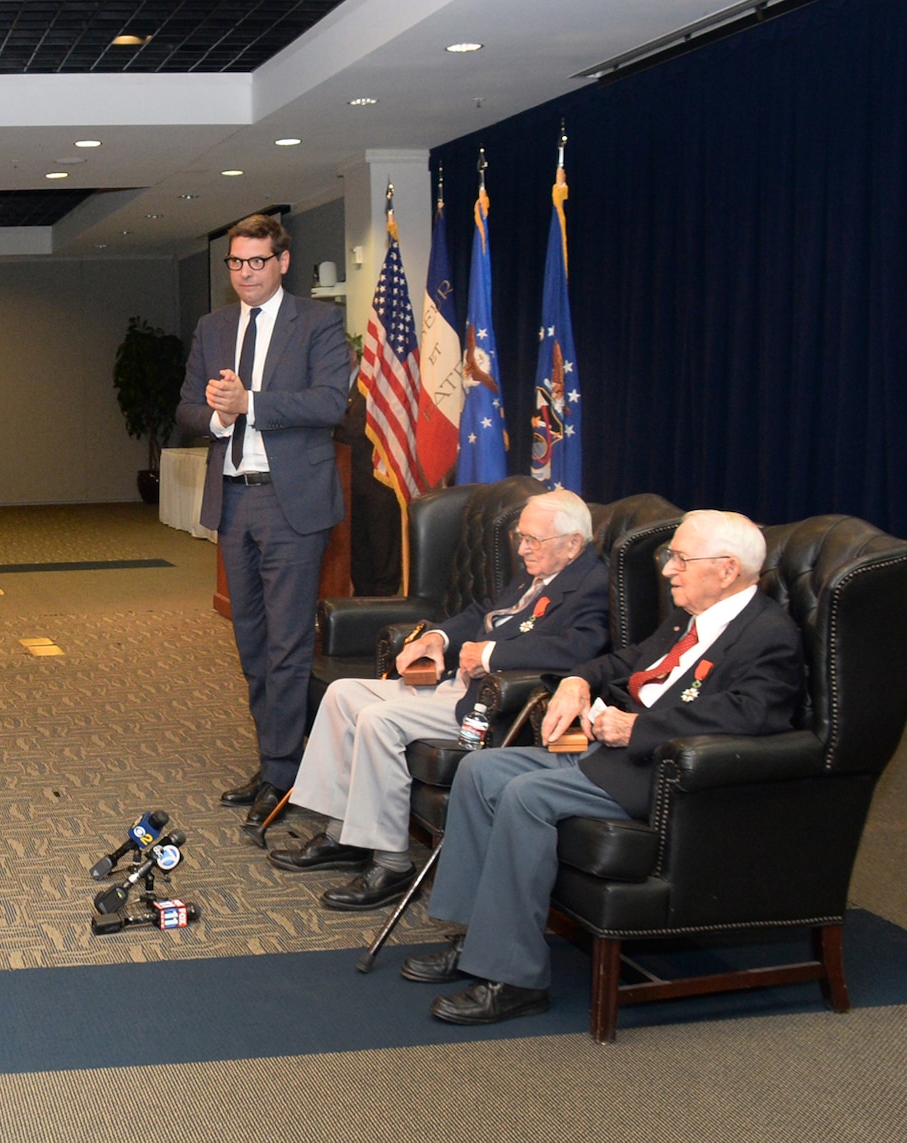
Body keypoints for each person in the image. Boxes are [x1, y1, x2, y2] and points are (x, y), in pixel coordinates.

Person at [408, 509, 805, 1025]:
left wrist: (639, 730)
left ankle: (516, 978)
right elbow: (630, 660)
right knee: (480, 772)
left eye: (680, 559)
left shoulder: (767, 633)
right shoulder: (692, 617)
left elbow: (752, 715)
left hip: (662, 773)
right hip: (610, 751)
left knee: (527, 795)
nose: (667, 571)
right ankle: (475, 941)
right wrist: (577, 681)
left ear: (727, 569)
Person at [272, 491, 611, 910]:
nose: (522, 548)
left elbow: (579, 650)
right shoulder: (538, 568)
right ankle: (343, 835)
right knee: (344, 694)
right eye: (521, 538)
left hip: (495, 702)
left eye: (532, 540)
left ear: (573, 543)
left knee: (379, 720)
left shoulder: (592, 585)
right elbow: (486, 611)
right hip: (458, 682)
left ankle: (392, 863)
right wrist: (439, 637)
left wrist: (489, 655)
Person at [175, 214, 354, 826]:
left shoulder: (320, 322)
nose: (245, 273)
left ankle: (285, 772)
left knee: (288, 642)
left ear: (282, 262)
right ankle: (277, 761)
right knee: (250, 640)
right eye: (235, 263)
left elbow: (332, 401)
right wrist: (221, 417)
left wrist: (252, 402)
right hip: (234, 499)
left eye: (256, 262)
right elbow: (188, 408)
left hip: (291, 501)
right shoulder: (213, 326)